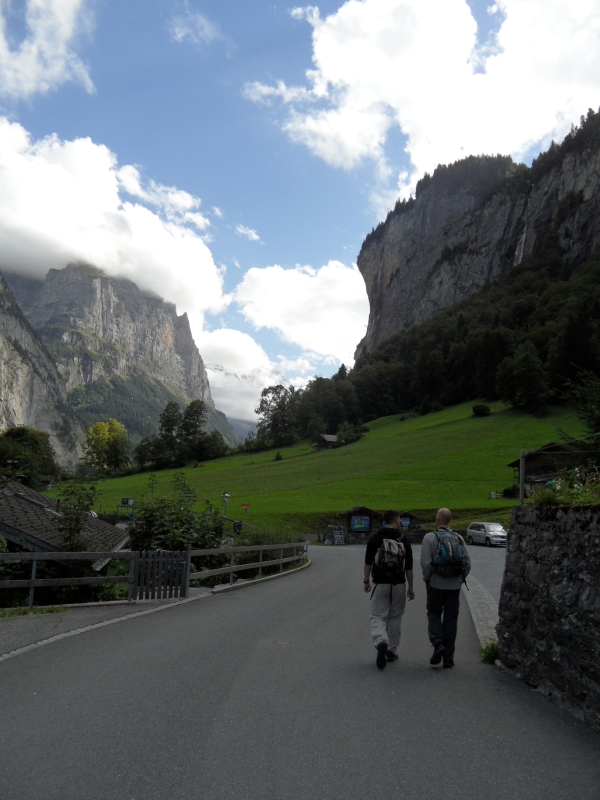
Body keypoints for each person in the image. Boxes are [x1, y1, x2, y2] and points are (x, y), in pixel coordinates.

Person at [364, 510, 415, 670]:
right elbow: (409, 568)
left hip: (380, 583)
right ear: (397, 520)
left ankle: (381, 641)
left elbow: (368, 563)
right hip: (399, 584)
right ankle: (391, 651)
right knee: (395, 617)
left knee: (378, 616)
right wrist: (411, 587)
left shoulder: (375, 538)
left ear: (384, 521)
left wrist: (366, 581)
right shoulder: (404, 540)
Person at [420, 507, 471, 669]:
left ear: (438, 520)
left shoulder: (429, 537)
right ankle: (449, 658)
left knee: (434, 612)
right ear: (450, 521)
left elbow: (425, 563)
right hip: (454, 586)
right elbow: (467, 563)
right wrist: (459, 579)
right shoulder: (459, 538)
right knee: (451, 619)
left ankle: (438, 643)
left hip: (435, 584)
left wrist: (428, 579)